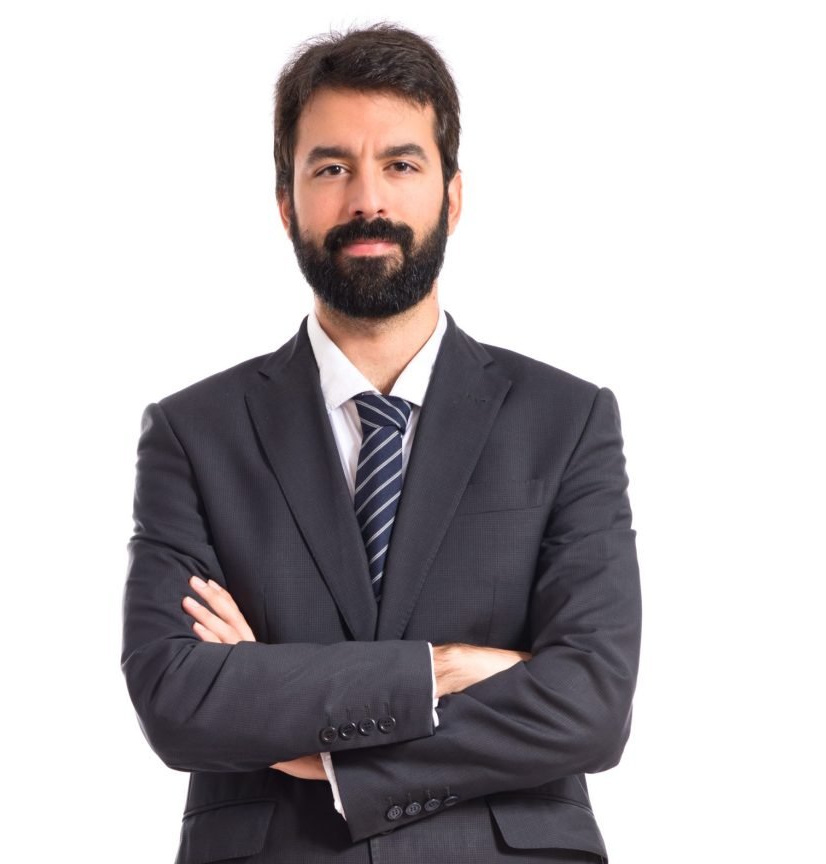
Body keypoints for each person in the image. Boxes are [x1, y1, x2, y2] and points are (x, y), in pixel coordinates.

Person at [122, 23, 641, 864]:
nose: (369, 200)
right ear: (287, 201)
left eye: (401, 164)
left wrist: (318, 746)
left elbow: (591, 702)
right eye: (332, 168)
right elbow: (176, 696)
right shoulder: (194, 433)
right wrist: (441, 668)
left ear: (453, 195)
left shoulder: (568, 420)